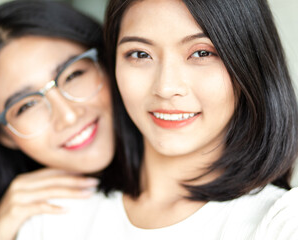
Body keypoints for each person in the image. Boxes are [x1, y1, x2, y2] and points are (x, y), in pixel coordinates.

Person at [17, 0, 298, 239]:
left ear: (250, 62)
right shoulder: (53, 218)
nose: (165, 87)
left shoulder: (278, 221)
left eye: (202, 53)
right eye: (140, 54)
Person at [0, 1, 127, 240]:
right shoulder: (37, 226)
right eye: (27, 105)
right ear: (2, 135)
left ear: (107, 62)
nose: (68, 115)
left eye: (73, 74)